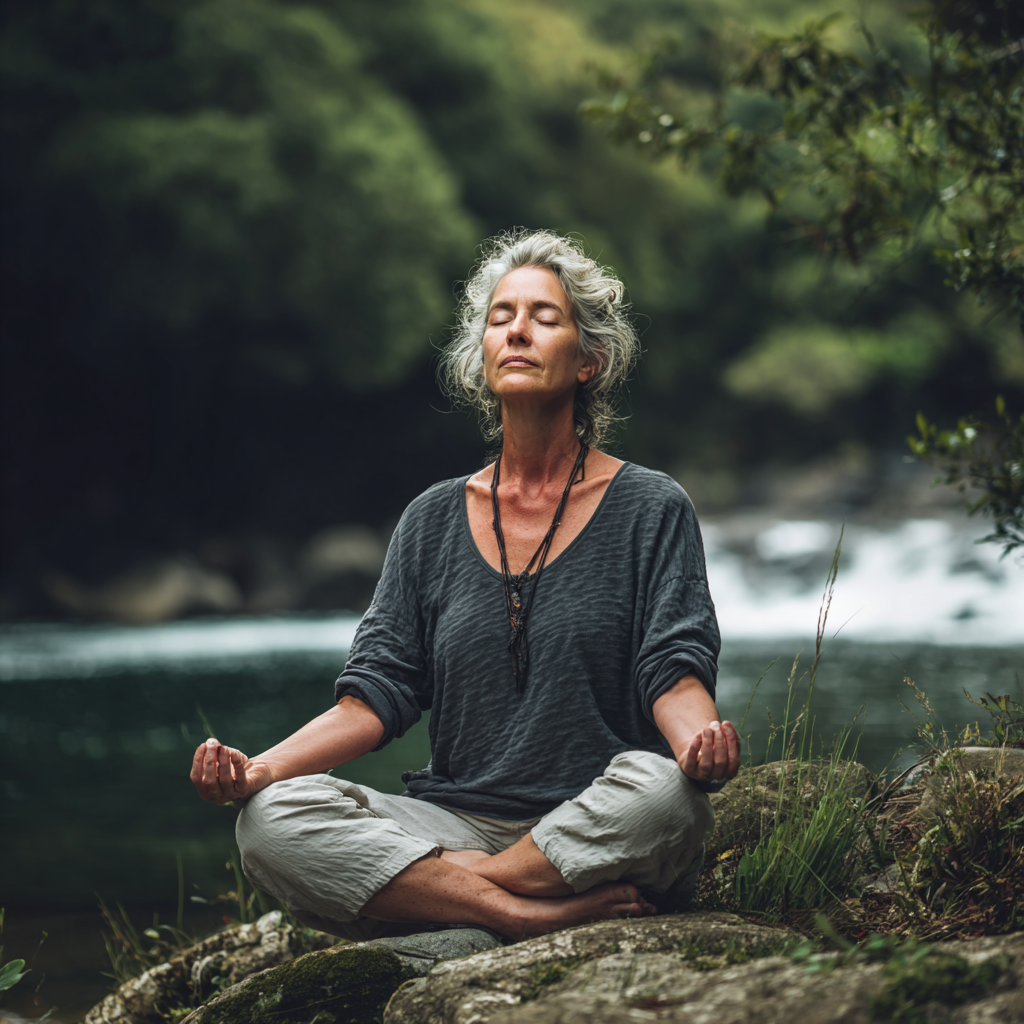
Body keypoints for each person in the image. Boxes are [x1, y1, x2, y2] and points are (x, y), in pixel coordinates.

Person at [189, 230, 740, 943]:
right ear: (482, 358)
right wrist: (259, 771)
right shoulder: (431, 519)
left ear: (589, 360)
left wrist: (699, 747)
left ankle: (441, 890)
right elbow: (376, 695)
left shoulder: (651, 507)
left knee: (667, 794)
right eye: (501, 317)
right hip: (452, 819)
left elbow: (673, 668)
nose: (517, 330)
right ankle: (516, 909)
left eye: (544, 317)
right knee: (268, 821)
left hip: (593, 814)